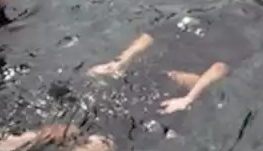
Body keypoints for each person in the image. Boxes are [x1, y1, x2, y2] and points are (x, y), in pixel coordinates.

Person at [87, 28, 229, 115]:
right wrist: (188, 99)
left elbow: (150, 35)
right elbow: (219, 68)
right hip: (162, 85)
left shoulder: (188, 22)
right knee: (105, 138)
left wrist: (120, 62)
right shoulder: (235, 41)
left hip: (144, 77)